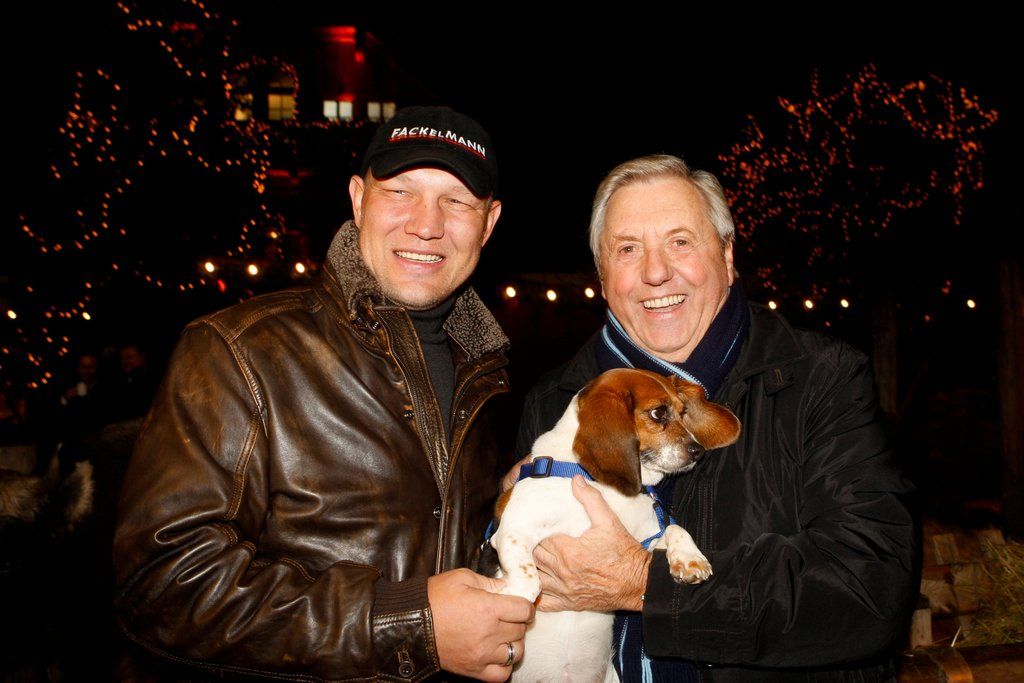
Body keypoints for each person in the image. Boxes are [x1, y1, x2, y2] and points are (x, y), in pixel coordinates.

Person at [114, 106, 534, 681]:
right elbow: (161, 585)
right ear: (359, 201)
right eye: (401, 192)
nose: (426, 224)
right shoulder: (239, 350)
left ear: (488, 223)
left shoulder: (485, 372)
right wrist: (408, 623)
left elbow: (442, 556)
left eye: (456, 201)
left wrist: (518, 515)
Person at [513, 154, 916, 681]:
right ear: (604, 277)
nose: (656, 272)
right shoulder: (555, 400)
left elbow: (870, 590)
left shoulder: (822, 378)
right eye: (628, 249)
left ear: (727, 256)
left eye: (680, 242)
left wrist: (644, 584)